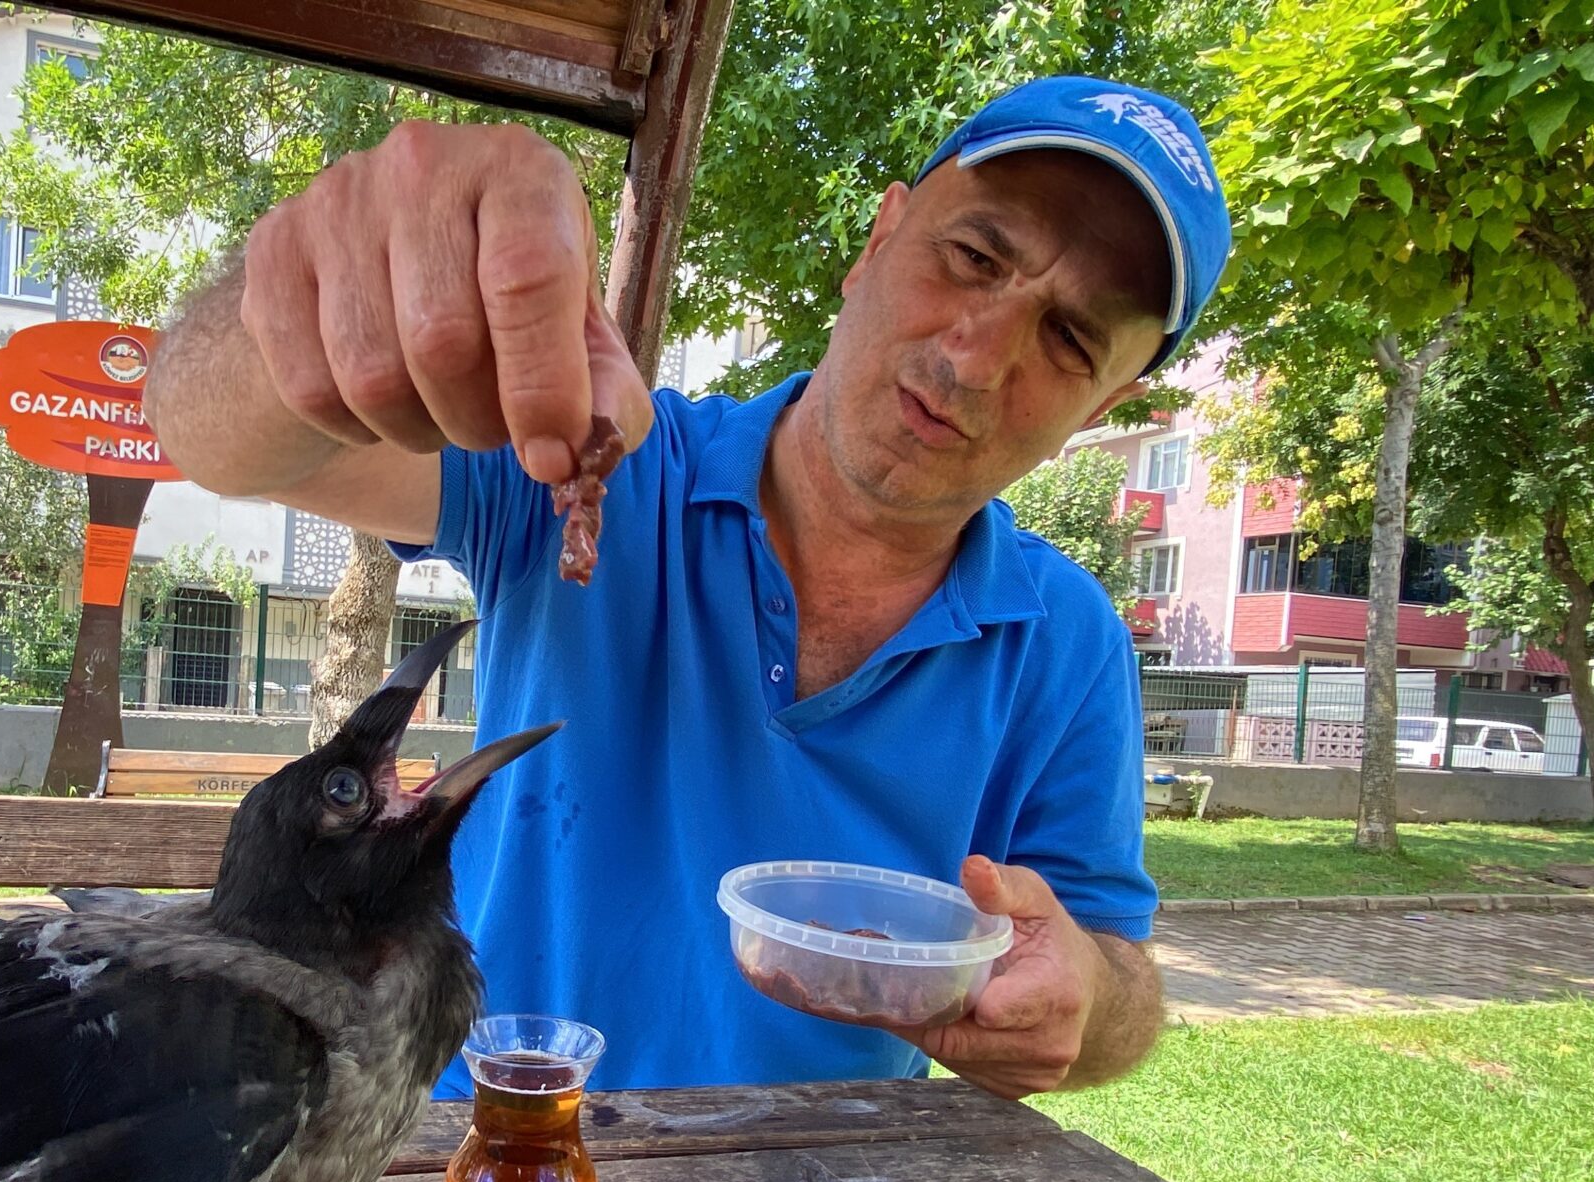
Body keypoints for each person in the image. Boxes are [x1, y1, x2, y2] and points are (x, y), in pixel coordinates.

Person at [149, 76, 1232, 1101]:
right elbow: (220, 440)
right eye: (974, 256)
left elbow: (1114, 972)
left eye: (1067, 337)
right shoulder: (596, 463)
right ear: (877, 238)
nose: (978, 355)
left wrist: (1084, 1005)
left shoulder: (1066, 641)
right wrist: (310, 295)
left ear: (1102, 407)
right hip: (488, 1153)